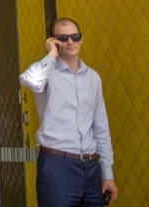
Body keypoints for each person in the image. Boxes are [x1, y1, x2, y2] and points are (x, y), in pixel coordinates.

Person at [19, 18, 118, 206]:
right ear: (54, 41)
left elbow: (100, 126)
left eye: (75, 36)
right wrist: (51, 55)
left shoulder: (93, 78)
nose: (70, 42)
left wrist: (107, 174)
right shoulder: (47, 73)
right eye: (63, 38)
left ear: (81, 39)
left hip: (90, 166)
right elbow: (30, 80)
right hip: (57, 164)